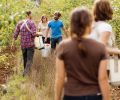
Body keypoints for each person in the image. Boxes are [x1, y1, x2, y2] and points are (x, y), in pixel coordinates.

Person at [55, 7, 110, 100]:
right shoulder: (100, 47)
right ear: (89, 24)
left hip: (71, 96)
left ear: (72, 24)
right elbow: (103, 78)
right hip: (94, 96)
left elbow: (60, 77)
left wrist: (56, 98)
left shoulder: (63, 46)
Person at [12, 11, 40, 76]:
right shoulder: (32, 23)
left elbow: (15, 34)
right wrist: (38, 34)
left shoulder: (19, 23)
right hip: (30, 44)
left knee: (25, 59)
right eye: (31, 14)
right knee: (29, 60)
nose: (32, 15)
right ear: (29, 15)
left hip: (23, 45)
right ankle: (25, 74)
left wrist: (12, 43)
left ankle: (25, 73)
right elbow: (33, 34)